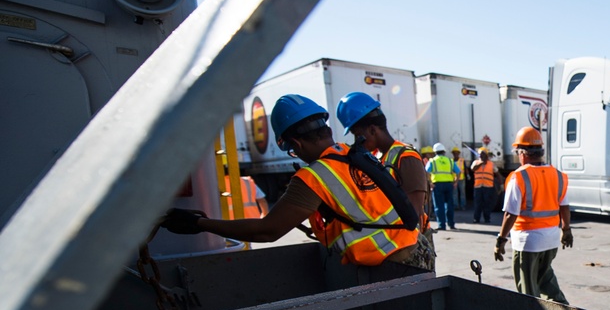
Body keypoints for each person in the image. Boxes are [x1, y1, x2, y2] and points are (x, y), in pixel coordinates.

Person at [162, 94, 429, 270]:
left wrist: (198, 224)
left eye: (293, 150)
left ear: (296, 144)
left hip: (387, 267)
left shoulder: (313, 176)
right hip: (411, 251)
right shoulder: (355, 155)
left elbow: (266, 231)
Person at [337, 91, 435, 262]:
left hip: (412, 247)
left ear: (373, 130)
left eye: (357, 135)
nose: (356, 141)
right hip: (394, 245)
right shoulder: (379, 158)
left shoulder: (406, 156)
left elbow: (414, 214)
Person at [493, 127, 572, 303]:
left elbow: (510, 214)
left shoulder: (519, 176)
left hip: (527, 242)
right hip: (551, 240)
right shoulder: (558, 175)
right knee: (545, 279)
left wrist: (500, 240)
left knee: (527, 290)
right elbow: (564, 206)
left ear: (523, 153)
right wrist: (566, 229)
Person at [426, 143, 458, 230]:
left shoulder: (432, 161)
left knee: (439, 205)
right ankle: (451, 224)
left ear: (435, 152)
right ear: (444, 152)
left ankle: (441, 225)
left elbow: (426, 172)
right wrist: (455, 181)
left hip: (437, 185)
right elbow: (458, 171)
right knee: (449, 205)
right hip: (449, 184)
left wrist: (430, 182)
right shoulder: (450, 161)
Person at [470, 147, 500, 224]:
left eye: (483, 154)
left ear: (486, 155)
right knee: (478, 204)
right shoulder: (476, 162)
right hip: (478, 187)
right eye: (480, 154)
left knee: (487, 203)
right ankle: (476, 219)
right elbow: (473, 169)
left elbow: (497, 174)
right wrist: (481, 163)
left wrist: (502, 184)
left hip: (488, 187)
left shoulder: (491, 164)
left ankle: (487, 218)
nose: (481, 156)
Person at [451, 146, 467, 211]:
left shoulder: (462, 160)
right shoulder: (451, 161)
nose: (455, 154)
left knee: (462, 193)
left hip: (461, 178)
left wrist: (468, 175)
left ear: (458, 153)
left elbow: (465, 169)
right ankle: (456, 206)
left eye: (457, 153)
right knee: (455, 193)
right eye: (454, 153)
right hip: (454, 179)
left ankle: (463, 205)